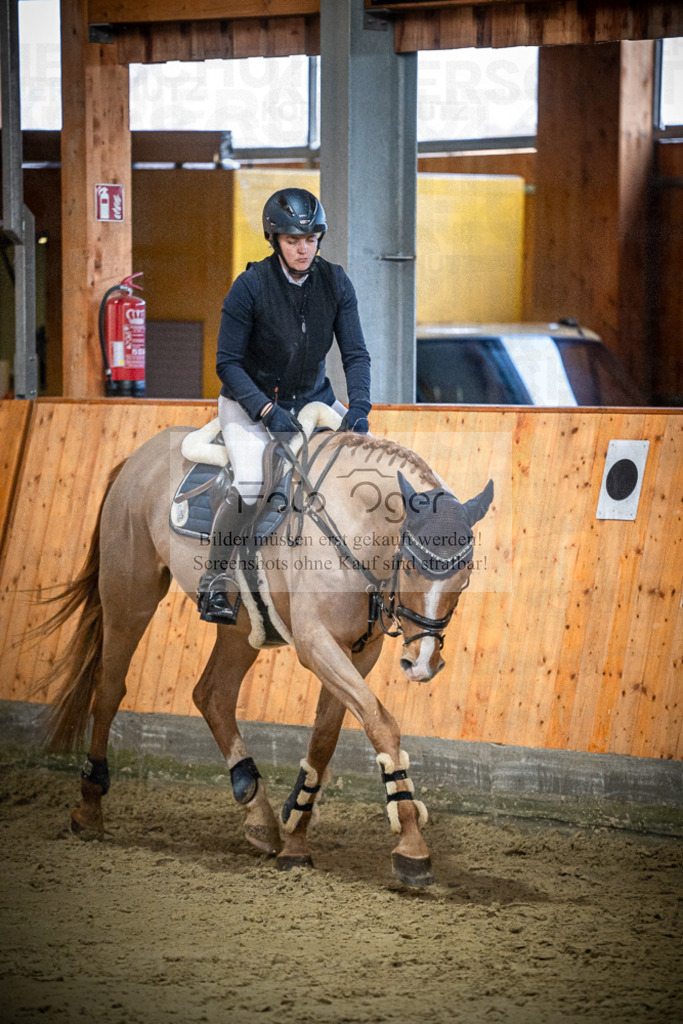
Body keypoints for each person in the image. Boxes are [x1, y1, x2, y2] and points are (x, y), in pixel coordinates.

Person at [197, 187, 372, 623]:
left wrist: (361, 406)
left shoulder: (336, 281)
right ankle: (214, 581)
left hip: (314, 400)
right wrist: (264, 411)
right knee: (253, 484)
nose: (303, 249)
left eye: (311, 239)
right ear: (274, 240)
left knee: (360, 473)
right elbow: (227, 363)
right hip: (250, 402)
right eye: (294, 240)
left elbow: (355, 354)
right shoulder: (251, 285)